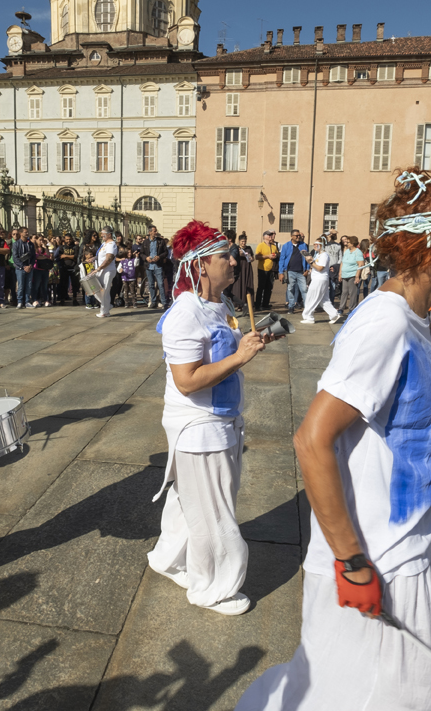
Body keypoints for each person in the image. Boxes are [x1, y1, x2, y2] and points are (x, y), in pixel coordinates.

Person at [236, 169, 431, 711]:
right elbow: (311, 440)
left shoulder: (418, 319)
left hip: (399, 552)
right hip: (375, 557)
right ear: (423, 245)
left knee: (352, 689)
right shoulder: (385, 325)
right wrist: (352, 563)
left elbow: (414, 424)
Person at [148, 220, 273, 616]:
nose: (235, 261)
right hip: (200, 425)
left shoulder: (220, 304)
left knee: (190, 500)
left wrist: (252, 341)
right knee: (214, 511)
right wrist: (240, 357)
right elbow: (187, 381)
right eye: (226, 257)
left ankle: (168, 559)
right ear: (201, 265)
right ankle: (211, 587)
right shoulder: (186, 313)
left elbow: (223, 353)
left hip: (219, 417)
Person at [301, 239, 341, 325]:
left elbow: (320, 268)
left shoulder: (324, 255)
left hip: (320, 280)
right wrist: (311, 261)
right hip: (318, 279)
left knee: (311, 298)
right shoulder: (318, 255)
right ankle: (334, 315)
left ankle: (309, 317)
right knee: (324, 299)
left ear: (322, 245)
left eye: (317, 244)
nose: (315, 246)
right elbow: (315, 266)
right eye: (314, 244)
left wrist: (311, 261)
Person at [278, 230, 309, 315]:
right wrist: (281, 272)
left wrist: (307, 269)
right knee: (290, 289)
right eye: (296, 236)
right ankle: (291, 306)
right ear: (291, 236)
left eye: (299, 235)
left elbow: (307, 258)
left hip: (301, 272)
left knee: (304, 289)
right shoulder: (286, 246)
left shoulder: (303, 245)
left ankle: (307, 308)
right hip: (290, 271)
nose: (298, 237)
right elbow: (282, 259)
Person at [94, 226, 118, 318]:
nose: (101, 235)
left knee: (104, 290)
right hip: (101, 270)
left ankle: (104, 311)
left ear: (109, 234)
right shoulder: (104, 244)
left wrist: (99, 268)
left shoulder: (111, 244)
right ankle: (107, 306)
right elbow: (100, 256)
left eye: (103, 234)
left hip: (107, 270)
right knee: (97, 290)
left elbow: (109, 259)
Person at [253, 230, 279, 310]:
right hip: (263, 269)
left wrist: (276, 256)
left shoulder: (274, 246)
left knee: (269, 287)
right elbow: (257, 257)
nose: (270, 236)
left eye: (271, 235)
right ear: (264, 236)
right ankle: (257, 305)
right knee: (261, 287)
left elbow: (277, 254)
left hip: (271, 270)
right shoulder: (261, 245)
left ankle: (265, 304)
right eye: (269, 235)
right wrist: (268, 256)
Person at [54, 233, 82, 306]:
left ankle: (75, 299)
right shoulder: (61, 247)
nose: (68, 241)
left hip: (73, 267)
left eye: (70, 239)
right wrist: (70, 256)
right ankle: (62, 299)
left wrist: (65, 256)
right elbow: (59, 256)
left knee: (75, 284)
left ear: (72, 239)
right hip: (64, 268)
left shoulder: (75, 247)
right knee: (63, 284)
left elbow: (76, 256)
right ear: (64, 239)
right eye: (67, 239)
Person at [230, 233, 255, 312]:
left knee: (247, 285)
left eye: (244, 241)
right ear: (239, 241)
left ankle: (248, 304)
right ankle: (238, 305)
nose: (243, 243)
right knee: (238, 286)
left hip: (247, 268)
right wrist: (238, 254)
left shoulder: (249, 248)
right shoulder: (236, 248)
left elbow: (252, 258)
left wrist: (251, 258)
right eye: (242, 241)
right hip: (239, 268)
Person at [144, 225, 168, 309]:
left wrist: (159, 257)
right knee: (151, 285)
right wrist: (146, 258)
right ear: (150, 232)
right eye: (154, 231)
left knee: (160, 284)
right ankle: (153, 302)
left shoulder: (161, 241)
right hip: (149, 266)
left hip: (158, 265)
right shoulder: (146, 242)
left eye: (156, 231)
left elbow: (165, 252)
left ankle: (164, 302)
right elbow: (142, 253)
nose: (156, 232)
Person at [339, 236, 364, 314]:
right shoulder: (347, 251)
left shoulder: (358, 252)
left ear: (353, 243)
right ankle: (341, 308)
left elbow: (361, 264)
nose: (346, 243)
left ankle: (351, 309)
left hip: (352, 275)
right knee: (344, 292)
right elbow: (342, 263)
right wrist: (340, 273)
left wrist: (357, 276)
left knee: (352, 292)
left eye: (348, 242)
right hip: (344, 274)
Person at [12, 227, 34, 309]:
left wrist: (30, 265)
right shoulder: (16, 244)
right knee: (21, 286)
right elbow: (15, 257)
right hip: (20, 268)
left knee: (28, 285)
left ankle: (27, 301)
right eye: (25, 232)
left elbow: (33, 256)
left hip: (29, 268)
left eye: (27, 232)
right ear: (21, 233)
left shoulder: (30, 244)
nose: (27, 234)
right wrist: (23, 266)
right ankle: (20, 302)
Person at [32, 234, 53, 307]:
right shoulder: (34, 248)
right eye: (40, 240)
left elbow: (48, 256)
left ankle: (46, 300)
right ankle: (35, 299)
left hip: (44, 269)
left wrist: (45, 248)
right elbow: (36, 257)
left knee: (45, 286)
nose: (41, 242)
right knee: (36, 285)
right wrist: (43, 257)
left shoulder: (44, 248)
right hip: (37, 269)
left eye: (42, 240)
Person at [324, 230, 343, 302]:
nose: (333, 236)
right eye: (332, 235)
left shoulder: (338, 245)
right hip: (326, 268)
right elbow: (321, 236)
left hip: (334, 270)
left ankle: (331, 302)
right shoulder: (325, 245)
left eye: (335, 235)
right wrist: (329, 232)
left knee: (333, 287)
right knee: (326, 287)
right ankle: (325, 302)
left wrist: (336, 267)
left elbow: (340, 257)